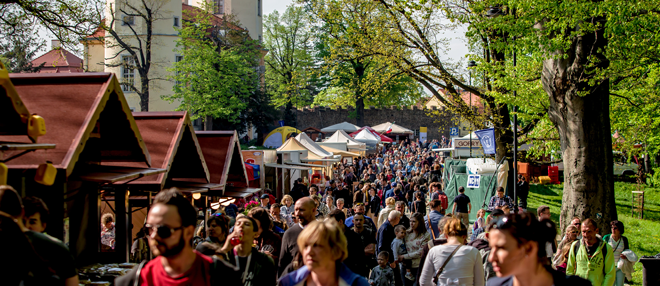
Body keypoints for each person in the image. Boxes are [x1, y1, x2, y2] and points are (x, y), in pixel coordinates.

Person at [115, 188, 239, 286]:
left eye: (164, 230)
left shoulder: (222, 276)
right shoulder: (133, 281)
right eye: (149, 229)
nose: (154, 236)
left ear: (188, 232)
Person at [0, 186, 80, 286]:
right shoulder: (58, 248)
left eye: (32, 222)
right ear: (22, 211)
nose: (27, 226)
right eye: (24, 222)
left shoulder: (57, 249)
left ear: (44, 225)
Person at [485, 213, 591, 286]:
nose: (491, 257)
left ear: (529, 248)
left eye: (501, 248)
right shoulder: (493, 284)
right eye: (492, 248)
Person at [278, 220, 370, 286]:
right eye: (306, 246)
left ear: (335, 250)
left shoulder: (357, 283)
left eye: (317, 245)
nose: (309, 252)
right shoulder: (288, 282)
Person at [419, 217, 484, 286]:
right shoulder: (474, 252)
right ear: (464, 236)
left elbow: (423, 282)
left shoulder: (434, 251)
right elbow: (480, 283)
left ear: (446, 235)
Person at [218, 215, 277, 286]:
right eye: (238, 224)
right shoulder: (225, 257)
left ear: (256, 234)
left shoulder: (264, 261)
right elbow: (208, 272)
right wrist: (225, 249)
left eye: (247, 224)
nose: (241, 226)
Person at [567, 218, 616, 286]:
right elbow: (569, 270)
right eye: (583, 232)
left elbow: (610, 274)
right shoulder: (575, 245)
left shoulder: (606, 248)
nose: (586, 234)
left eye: (589, 231)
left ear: (596, 231)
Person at [279, 197, 316, 277]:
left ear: (313, 210)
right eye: (296, 210)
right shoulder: (289, 234)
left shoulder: (325, 232)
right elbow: (283, 264)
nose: (297, 214)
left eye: (302, 210)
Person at [328, 209, 366, 276]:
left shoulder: (354, 237)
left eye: (332, 223)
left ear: (340, 221)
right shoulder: (330, 237)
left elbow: (361, 260)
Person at [399, 213, 431, 286]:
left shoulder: (425, 235)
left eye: (414, 221)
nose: (411, 223)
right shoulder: (406, 233)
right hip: (405, 266)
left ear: (419, 222)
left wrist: (404, 256)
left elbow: (420, 252)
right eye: (410, 221)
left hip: (417, 266)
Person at [602, 220, 631, 286]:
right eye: (612, 227)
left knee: (620, 284)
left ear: (620, 229)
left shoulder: (624, 239)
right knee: (611, 284)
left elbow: (627, 251)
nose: (613, 230)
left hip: (620, 265)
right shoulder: (606, 238)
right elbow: (602, 250)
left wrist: (625, 256)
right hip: (609, 266)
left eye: (615, 228)